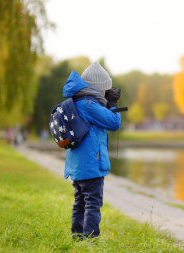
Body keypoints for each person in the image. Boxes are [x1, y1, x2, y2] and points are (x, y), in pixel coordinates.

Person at [62, 62, 121, 240]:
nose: (106, 94)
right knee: (93, 203)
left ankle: (77, 237)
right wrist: (112, 104)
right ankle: (90, 240)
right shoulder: (89, 105)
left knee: (80, 203)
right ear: (98, 89)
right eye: (105, 90)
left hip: (78, 165)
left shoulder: (77, 102)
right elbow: (114, 122)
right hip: (91, 165)